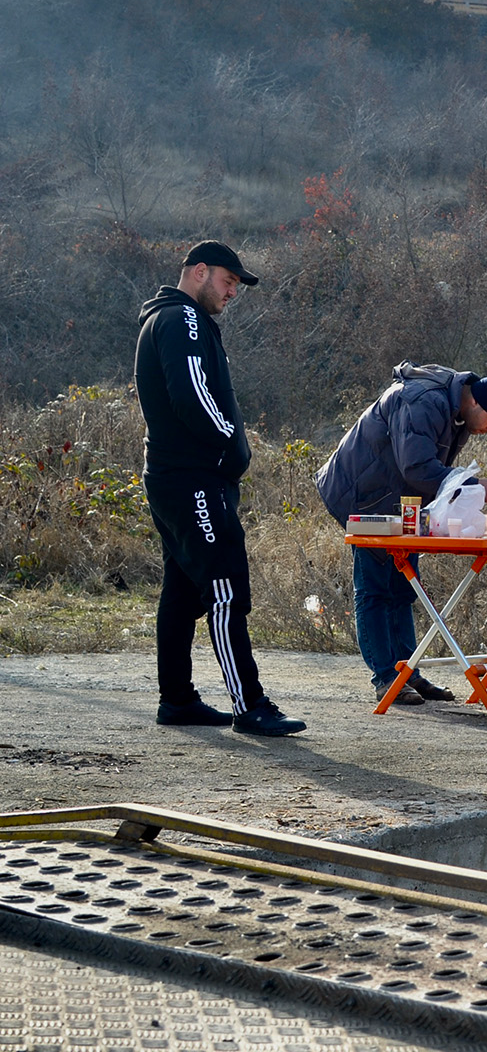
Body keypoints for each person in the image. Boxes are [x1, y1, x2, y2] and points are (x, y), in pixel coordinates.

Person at [135, 240, 305, 736]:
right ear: (200, 272)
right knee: (225, 587)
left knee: (184, 589)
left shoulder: (173, 318)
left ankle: (178, 700)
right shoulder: (180, 318)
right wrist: (231, 443)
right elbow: (191, 392)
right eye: (229, 281)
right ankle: (248, 705)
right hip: (193, 480)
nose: (233, 292)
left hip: (177, 476)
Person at [315, 364, 487, 704]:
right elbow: (417, 466)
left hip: (399, 502)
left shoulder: (456, 413)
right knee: (376, 589)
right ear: (476, 403)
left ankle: (408, 673)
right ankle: (386, 678)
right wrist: (473, 485)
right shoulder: (422, 401)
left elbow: (427, 473)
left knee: (404, 587)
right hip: (362, 497)